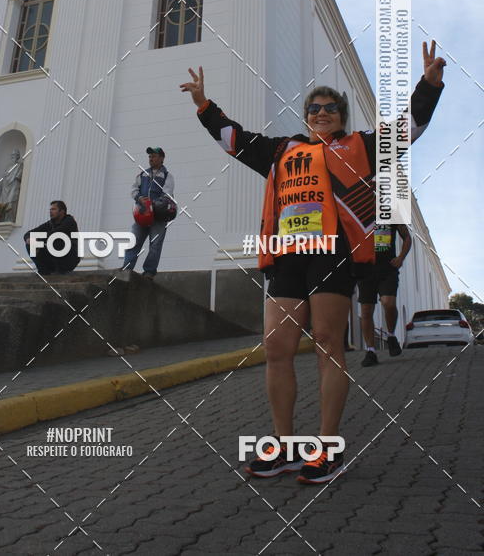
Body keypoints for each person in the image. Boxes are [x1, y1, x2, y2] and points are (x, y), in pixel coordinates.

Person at [181, 41, 445, 484]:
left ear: (342, 117)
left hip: (332, 254)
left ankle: (327, 449)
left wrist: (429, 86)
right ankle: (283, 448)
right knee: (278, 348)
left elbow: (409, 129)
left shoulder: (359, 146)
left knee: (327, 343)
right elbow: (234, 140)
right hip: (286, 259)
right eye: (314, 109)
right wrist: (204, 104)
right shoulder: (283, 150)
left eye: (331, 109)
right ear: (306, 116)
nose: (322, 113)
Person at [359, 223, 412, 365]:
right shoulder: (359, 210)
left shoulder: (391, 209)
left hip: (388, 267)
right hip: (365, 268)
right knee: (366, 310)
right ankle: (370, 351)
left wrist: (401, 257)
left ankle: (391, 335)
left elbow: (407, 237)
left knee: (388, 303)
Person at [122, 147, 175, 278]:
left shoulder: (167, 176)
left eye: (154, 156)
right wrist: (139, 198)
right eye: (150, 156)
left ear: (162, 158)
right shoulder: (143, 174)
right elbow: (134, 189)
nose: (151, 159)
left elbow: (167, 194)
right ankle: (127, 268)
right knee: (133, 241)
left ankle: (149, 271)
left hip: (158, 217)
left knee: (155, 245)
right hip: (142, 215)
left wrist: (154, 203)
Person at [24, 201, 79, 276]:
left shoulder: (69, 221)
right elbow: (29, 233)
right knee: (30, 244)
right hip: (54, 259)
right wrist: (28, 238)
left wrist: (37, 239)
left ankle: (60, 270)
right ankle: (43, 271)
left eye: (53, 209)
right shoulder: (50, 223)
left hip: (70, 258)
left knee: (56, 239)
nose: (50, 212)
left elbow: (56, 233)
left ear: (62, 211)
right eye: (50, 210)